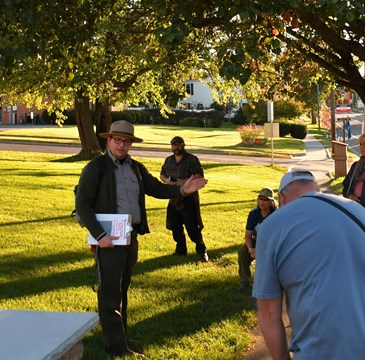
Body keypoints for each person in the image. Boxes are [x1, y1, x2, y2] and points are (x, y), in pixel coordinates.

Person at [75, 120, 208, 357]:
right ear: (109, 140)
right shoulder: (96, 168)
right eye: (118, 140)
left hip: (129, 234)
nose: (122, 145)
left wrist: (182, 190)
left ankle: (121, 337)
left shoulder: (135, 167)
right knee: (109, 293)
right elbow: (82, 205)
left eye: (126, 141)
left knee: (122, 289)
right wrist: (100, 235)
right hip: (108, 237)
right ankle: (116, 347)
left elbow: (156, 188)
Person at [253, 170, 365, 359]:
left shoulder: (272, 227)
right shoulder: (363, 214)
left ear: (281, 198)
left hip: (320, 352)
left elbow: (268, 314)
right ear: (316, 189)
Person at [160, 136, 209, 262]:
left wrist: (184, 181)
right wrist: (167, 181)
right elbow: (162, 174)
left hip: (188, 198)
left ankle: (201, 250)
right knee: (175, 226)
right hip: (173, 196)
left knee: (192, 227)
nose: (176, 147)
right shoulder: (169, 160)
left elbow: (199, 175)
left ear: (183, 145)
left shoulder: (192, 159)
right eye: (174, 145)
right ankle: (180, 250)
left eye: (178, 144)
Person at [237, 187, 277, 293]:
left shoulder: (276, 215)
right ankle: (245, 282)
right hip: (256, 241)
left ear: (272, 202)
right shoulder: (254, 213)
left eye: (266, 199)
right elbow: (248, 235)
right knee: (242, 252)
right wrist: (251, 249)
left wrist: (260, 249)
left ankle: (268, 284)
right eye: (260, 198)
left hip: (272, 244)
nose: (262, 202)